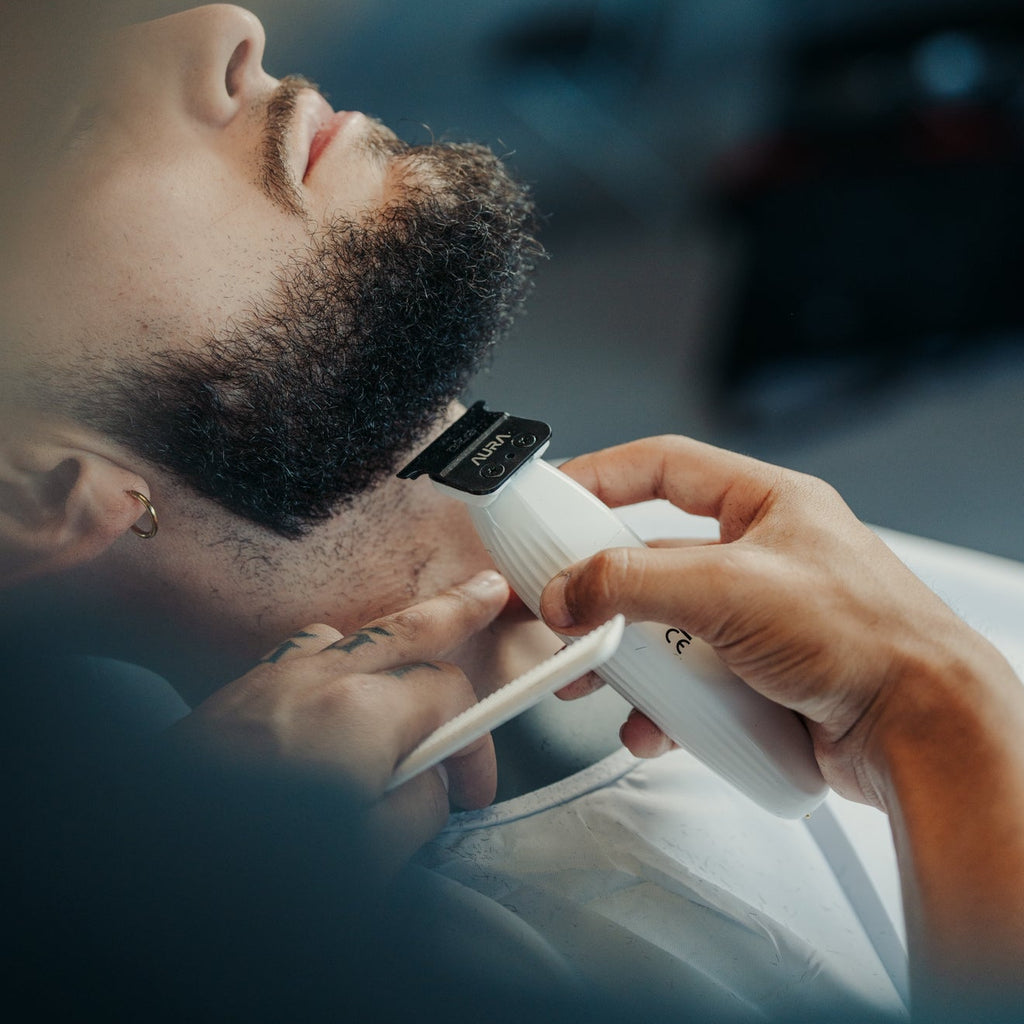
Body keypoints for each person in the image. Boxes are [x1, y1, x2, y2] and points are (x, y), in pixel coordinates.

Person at [2, 3, 1022, 1020]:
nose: (230, 28)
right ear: (34, 492)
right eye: (67, 118)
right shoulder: (458, 970)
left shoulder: (760, 557)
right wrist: (938, 713)